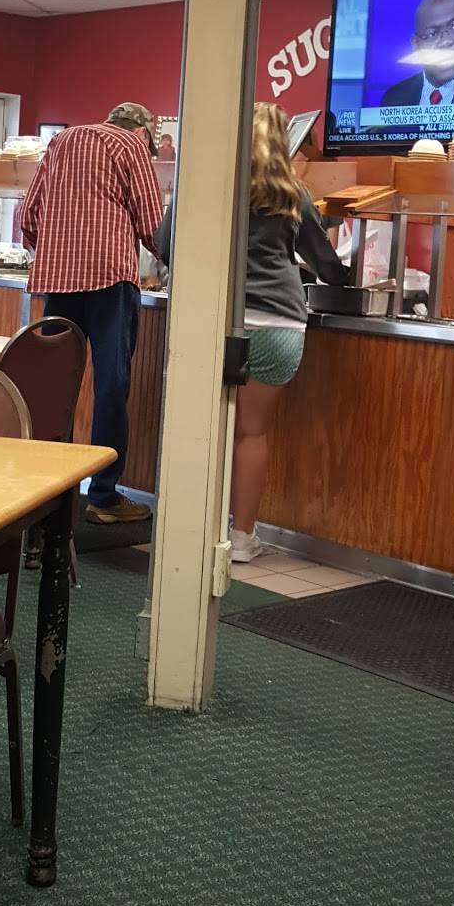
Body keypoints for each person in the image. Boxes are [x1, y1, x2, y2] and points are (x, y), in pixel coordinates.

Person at [156, 103, 348, 562]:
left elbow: (165, 247)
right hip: (277, 323)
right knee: (252, 433)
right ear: (283, 143)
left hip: (211, 318)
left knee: (199, 427)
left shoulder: (202, 183)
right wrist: (344, 281)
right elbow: (325, 264)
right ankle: (241, 539)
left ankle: (187, 529)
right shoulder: (292, 194)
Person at [21, 101, 163, 525]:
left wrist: (57, 251)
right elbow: (153, 225)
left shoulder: (60, 140)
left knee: (55, 386)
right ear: (144, 132)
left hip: (57, 281)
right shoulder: (131, 145)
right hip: (109, 280)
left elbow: (29, 216)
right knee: (111, 386)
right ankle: (103, 497)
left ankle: (49, 492)